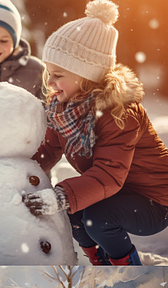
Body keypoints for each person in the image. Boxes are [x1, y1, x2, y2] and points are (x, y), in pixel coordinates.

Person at [22, 0, 168, 265]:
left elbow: (109, 175)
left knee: (96, 218)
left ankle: (128, 274)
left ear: (86, 76)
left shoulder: (120, 114)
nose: (50, 83)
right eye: (48, 74)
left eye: (58, 74)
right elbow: (50, 149)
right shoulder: (65, 110)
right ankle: (100, 265)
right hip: (118, 192)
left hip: (155, 201)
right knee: (75, 214)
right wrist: (18, 169)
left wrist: (60, 195)